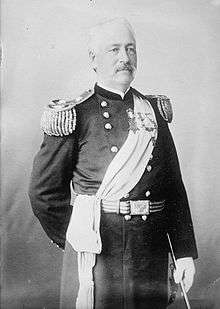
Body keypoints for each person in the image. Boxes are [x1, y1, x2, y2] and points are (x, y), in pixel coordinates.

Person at [29, 18, 198, 309]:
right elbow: (43, 193)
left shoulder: (153, 113)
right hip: (99, 256)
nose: (124, 58)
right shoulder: (76, 114)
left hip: (151, 253)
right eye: (114, 50)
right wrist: (79, 234)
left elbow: (173, 189)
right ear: (93, 59)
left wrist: (183, 253)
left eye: (130, 49)